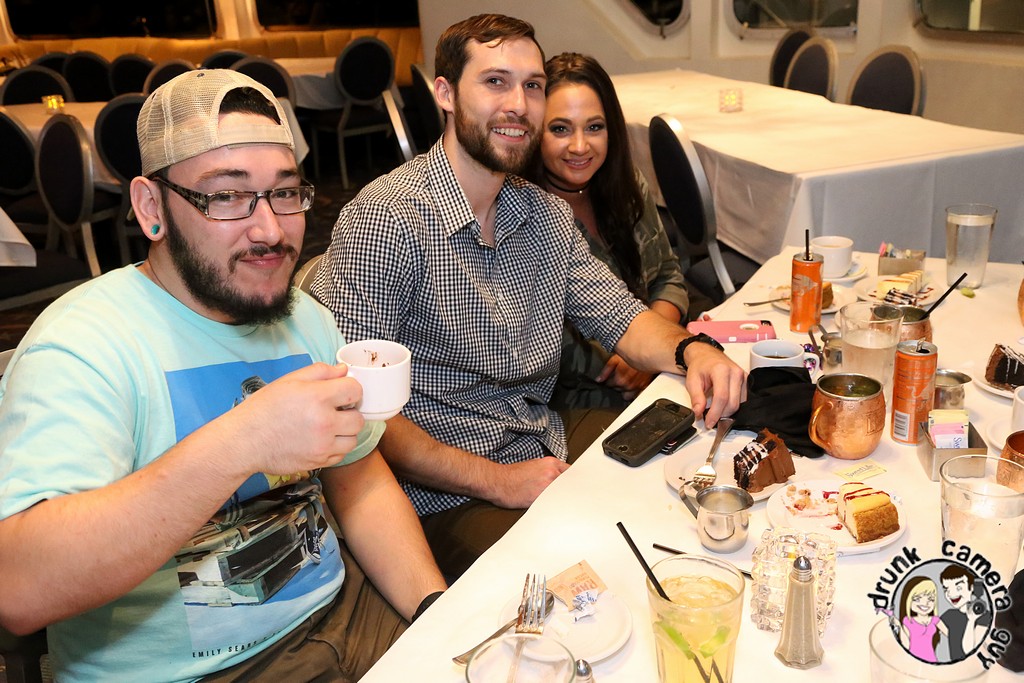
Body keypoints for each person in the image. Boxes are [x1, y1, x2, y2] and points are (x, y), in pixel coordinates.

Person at [0, 70, 446, 682]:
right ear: (151, 208)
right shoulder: (83, 346)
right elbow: (19, 589)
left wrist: (434, 611)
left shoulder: (306, 318)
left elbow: (361, 484)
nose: (270, 230)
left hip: (345, 617)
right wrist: (244, 442)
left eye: (284, 193)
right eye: (227, 196)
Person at [310, 13, 745, 580]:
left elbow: (623, 318)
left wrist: (695, 351)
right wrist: (498, 481)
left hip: (540, 440)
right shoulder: (386, 220)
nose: (519, 104)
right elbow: (364, 413)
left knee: (690, 490)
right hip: (440, 492)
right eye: (495, 82)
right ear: (445, 94)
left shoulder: (544, 215)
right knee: (583, 576)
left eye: (533, 86)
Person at [531, 52, 689, 436]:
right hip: (571, 400)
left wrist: (650, 352)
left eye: (594, 127)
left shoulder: (627, 186)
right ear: (535, 132)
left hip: (654, 366)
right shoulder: (524, 212)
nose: (580, 146)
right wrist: (633, 360)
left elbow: (668, 275)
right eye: (560, 129)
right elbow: (544, 342)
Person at [940, 564, 989, 662]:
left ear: (972, 587)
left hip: (973, 666)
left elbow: (969, 651)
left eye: (958, 588)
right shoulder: (949, 615)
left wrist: (971, 620)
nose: (951, 594)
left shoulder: (984, 616)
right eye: (947, 589)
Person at [896, 576, 948, 662]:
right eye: (917, 599)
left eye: (931, 599)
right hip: (912, 660)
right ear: (908, 600)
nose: (925, 603)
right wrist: (898, 625)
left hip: (931, 660)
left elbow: (951, 635)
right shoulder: (908, 621)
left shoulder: (935, 620)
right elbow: (906, 645)